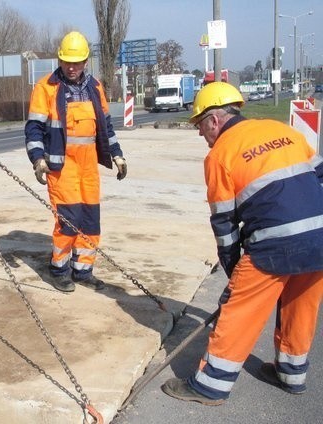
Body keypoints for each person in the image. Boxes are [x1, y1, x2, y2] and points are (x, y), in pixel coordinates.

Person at [162, 81, 323, 405]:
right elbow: (318, 176)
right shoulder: (285, 132)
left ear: (214, 120)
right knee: (300, 304)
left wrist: (235, 273)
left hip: (274, 245)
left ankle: (210, 386)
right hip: (320, 234)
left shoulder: (220, 155)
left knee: (239, 312)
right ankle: (291, 374)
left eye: (199, 126)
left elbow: (224, 225)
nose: (199, 134)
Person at [25, 31, 127, 293]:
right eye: (67, 62)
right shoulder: (46, 87)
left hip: (88, 166)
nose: (71, 67)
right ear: (60, 60)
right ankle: (59, 269)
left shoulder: (95, 87)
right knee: (68, 221)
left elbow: (105, 126)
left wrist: (116, 154)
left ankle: (83, 270)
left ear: (85, 62)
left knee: (90, 221)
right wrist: (38, 159)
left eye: (77, 62)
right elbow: (34, 128)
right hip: (62, 167)